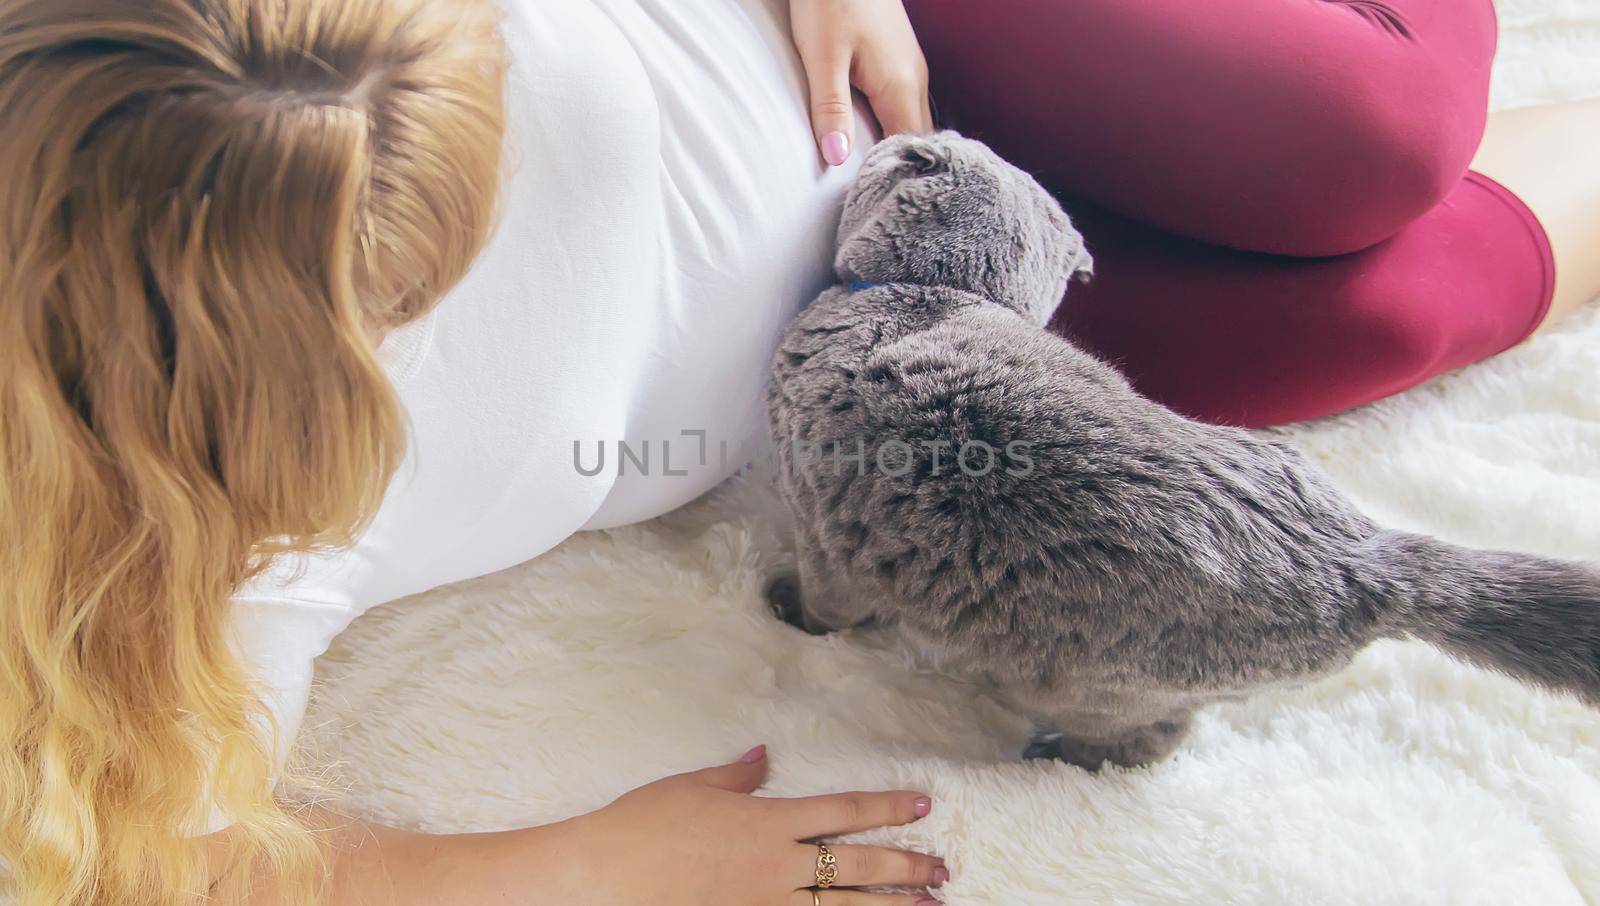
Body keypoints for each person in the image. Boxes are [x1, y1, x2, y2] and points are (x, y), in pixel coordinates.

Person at [0, 0, 1594, 904]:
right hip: (909, 319)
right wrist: (587, 863)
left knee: (1352, 143)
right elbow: (171, 861)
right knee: (1356, 326)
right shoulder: (230, 546)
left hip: (890, 46)